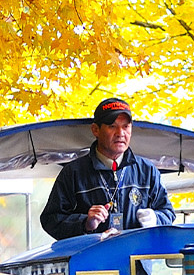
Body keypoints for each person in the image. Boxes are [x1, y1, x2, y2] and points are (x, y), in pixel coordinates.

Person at [40, 97, 175, 240]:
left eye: (126, 126)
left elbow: (168, 213)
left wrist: (155, 219)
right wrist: (84, 223)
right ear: (95, 130)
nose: (120, 133)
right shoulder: (73, 173)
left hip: (137, 259)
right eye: (112, 126)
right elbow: (51, 220)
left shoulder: (147, 171)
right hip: (92, 260)